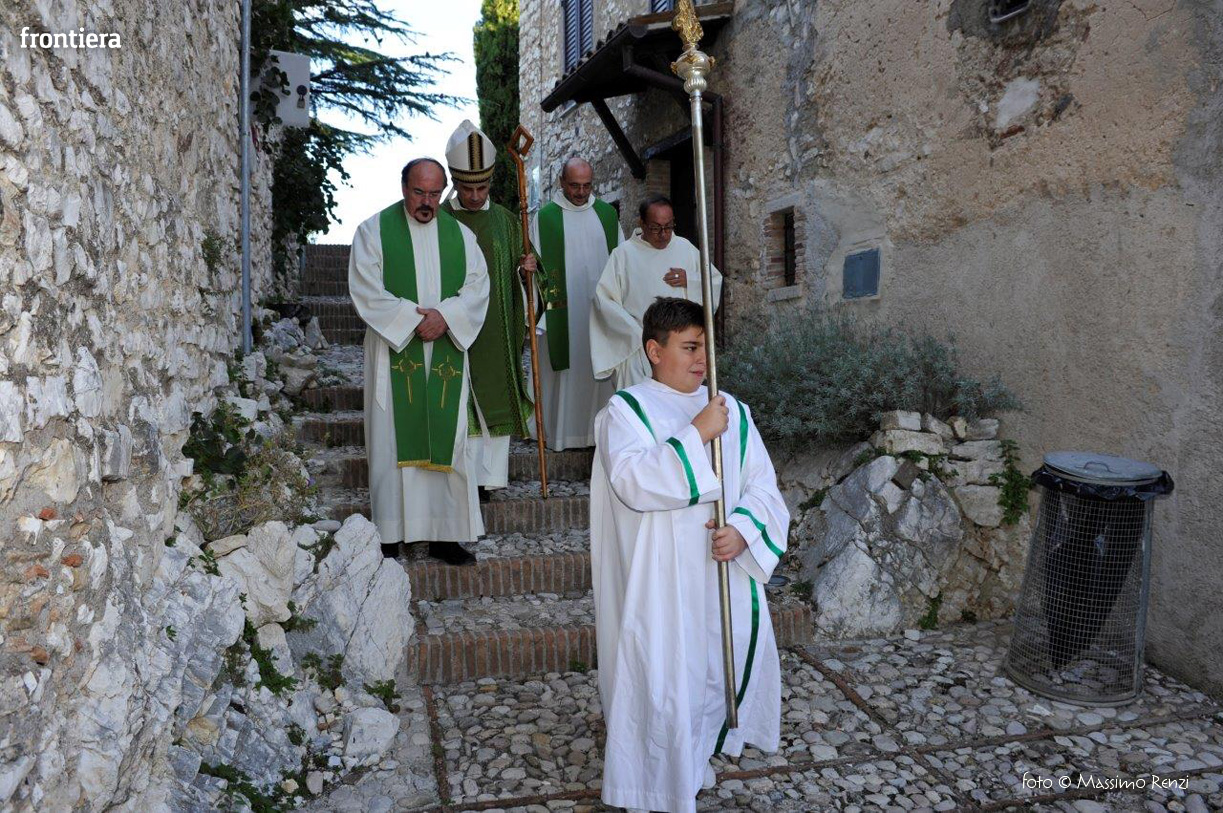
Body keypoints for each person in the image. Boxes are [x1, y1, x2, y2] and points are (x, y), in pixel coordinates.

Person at [590, 297, 789, 813]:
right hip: (659, 579)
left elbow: (762, 483)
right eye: (690, 347)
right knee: (663, 672)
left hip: (719, 570)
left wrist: (743, 529)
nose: (702, 359)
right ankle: (653, 781)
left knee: (713, 663)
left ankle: (700, 752)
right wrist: (697, 433)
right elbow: (633, 481)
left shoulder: (731, 410)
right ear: (655, 351)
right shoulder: (626, 410)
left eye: (706, 347)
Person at [348, 157, 490, 565]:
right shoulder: (373, 232)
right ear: (403, 188)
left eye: (435, 193)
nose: (427, 202)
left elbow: (477, 288)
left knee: (450, 442)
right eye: (419, 192)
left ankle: (445, 535)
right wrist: (416, 321)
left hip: (445, 352)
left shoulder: (461, 237)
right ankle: (390, 535)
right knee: (392, 442)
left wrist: (446, 317)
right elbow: (366, 290)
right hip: (394, 350)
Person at [441, 120, 537, 496]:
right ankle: (459, 477)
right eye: (467, 188)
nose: (475, 195)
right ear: (454, 181)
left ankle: (489, 479)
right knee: (457, 400)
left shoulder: (508, 222)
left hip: (497, 328)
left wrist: (528, 271)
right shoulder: (441, 221)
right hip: (452, 329)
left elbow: (535, 276)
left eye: (482, 187)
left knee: (495, 395)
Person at [530, 157, 624, 450]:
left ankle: (598, 435)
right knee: (564, 373)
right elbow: (533, 271)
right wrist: (526, 272)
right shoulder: (545, 219)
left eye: (586, 186)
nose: (581, 192)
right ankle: (561, 433)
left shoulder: (607, 215)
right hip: (562, 316)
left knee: (599, 369)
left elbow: (622, 263)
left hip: (600, 313)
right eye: (574, 186)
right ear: (561, 182)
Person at [590, 195, 722, 389]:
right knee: (641, 402)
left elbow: (714, 281)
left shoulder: (685, 248)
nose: (663, 234)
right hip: (640, 347)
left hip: (680, 348)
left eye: (668, 227)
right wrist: (635, 332)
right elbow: (604, 300)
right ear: (642, 224)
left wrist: (691, 281)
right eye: (655, 228)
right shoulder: (623, 254)